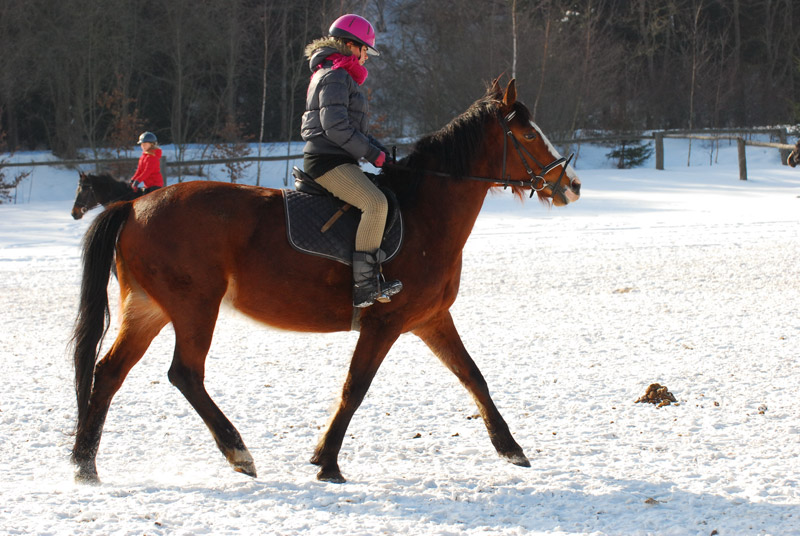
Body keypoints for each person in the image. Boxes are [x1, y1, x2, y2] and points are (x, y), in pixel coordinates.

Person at [301, 14, 402, 308]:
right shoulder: (335, 75)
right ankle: (365, 285)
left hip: (337, 157)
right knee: (376, 203)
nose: (367, 57)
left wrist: (380, 151)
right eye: (365, 50)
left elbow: (352, 130)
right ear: (350, 45)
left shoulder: (336, 74)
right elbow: (335, 127)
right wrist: (372, 154)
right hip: (327, 161)